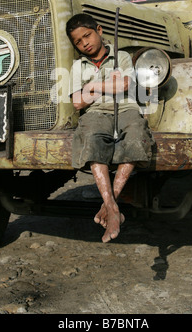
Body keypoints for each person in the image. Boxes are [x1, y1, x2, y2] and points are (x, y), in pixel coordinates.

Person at [66, 13, 153, 243]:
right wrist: (108, 86)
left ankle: (108, 205)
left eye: (87, 35)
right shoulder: (78, 66)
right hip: (95, 113)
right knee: (91, 137)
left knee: (135, 134)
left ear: (100, 31)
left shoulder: (121, 56)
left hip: (126, 108)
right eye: (78, 41)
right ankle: (113, 208)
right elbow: (77, 102)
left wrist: (93, 86)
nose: (85, 43)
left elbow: (125, 84)